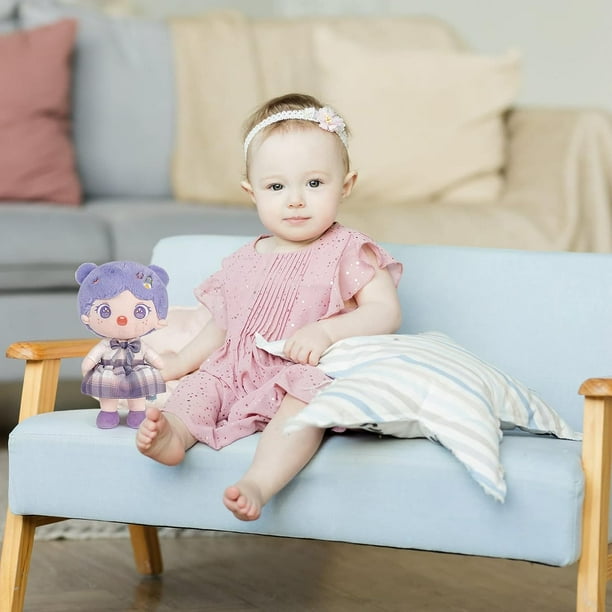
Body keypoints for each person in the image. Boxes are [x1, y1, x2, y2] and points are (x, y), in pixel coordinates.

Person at [136, 93, 403, 521]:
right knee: (199, 388)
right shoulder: (242, 260)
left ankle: (259, 482)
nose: (295, 199)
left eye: (314, 183)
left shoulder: (349, 250)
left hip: (301, 371)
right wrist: (180, 363)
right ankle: (175, 436)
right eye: (276, 187)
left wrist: (327, 332)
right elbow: (223, 326)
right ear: (252, 192)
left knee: (304, 404)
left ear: (346, 185)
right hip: (235, 371)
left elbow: (385, 311)